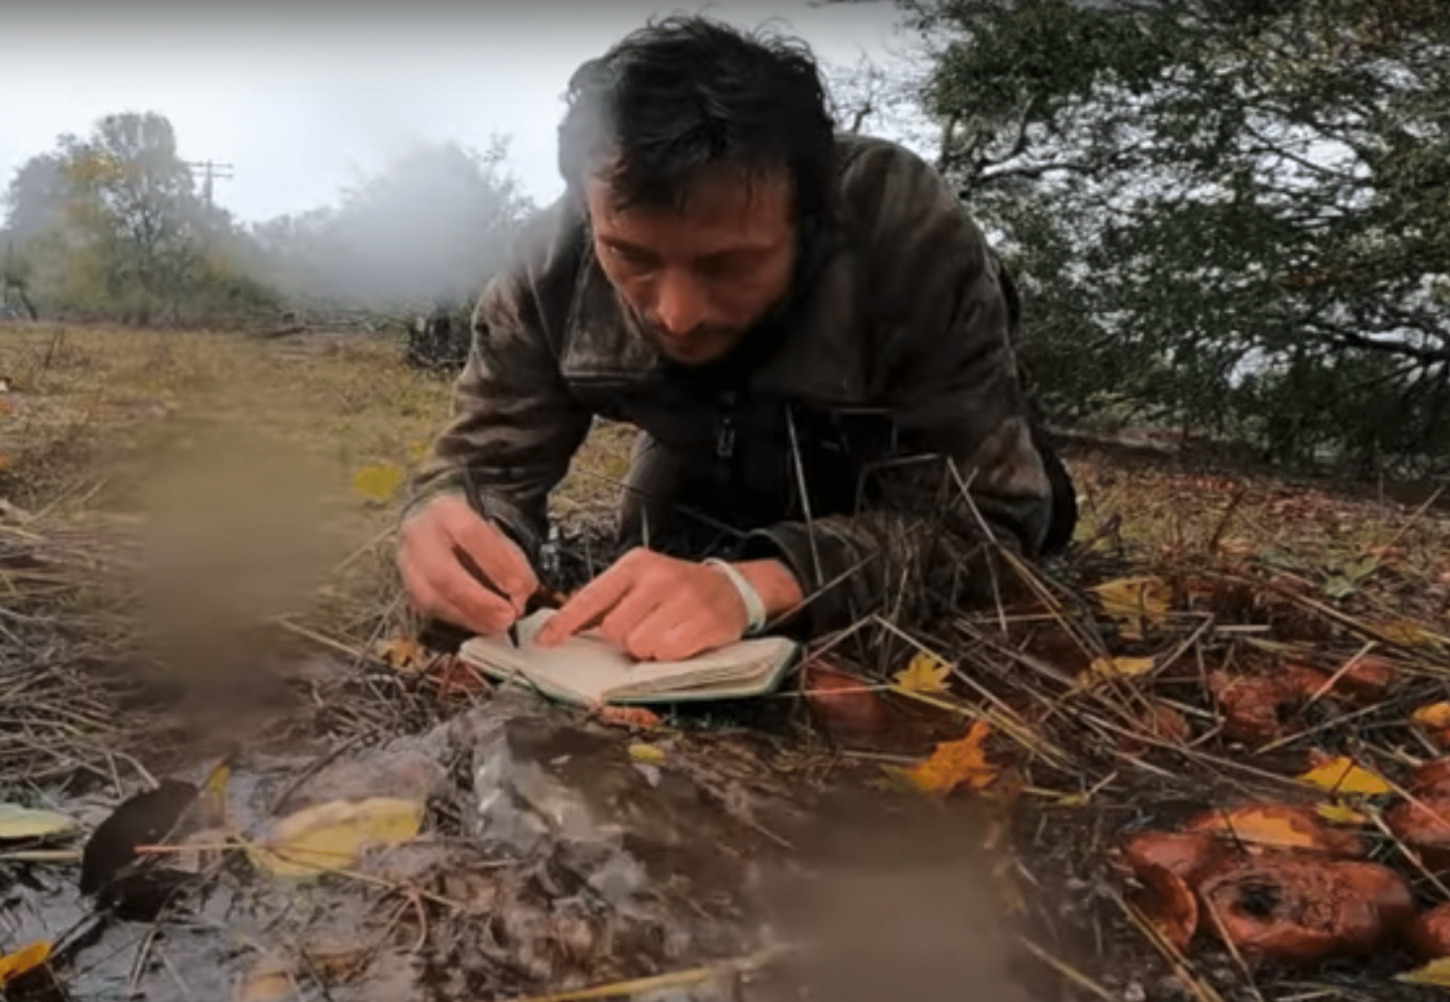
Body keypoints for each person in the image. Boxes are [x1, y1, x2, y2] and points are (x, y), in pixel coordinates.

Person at [398, 16, 1077, 663]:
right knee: (651, 541)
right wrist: (449, 522)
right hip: (700, 447)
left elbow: (990, 520)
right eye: (632, 256)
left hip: (892, 458)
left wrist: (762, 587)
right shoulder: (547, 267)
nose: (677, 314)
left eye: (727, 264)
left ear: (811, 220)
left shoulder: (903, 231)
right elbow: (480, 470)